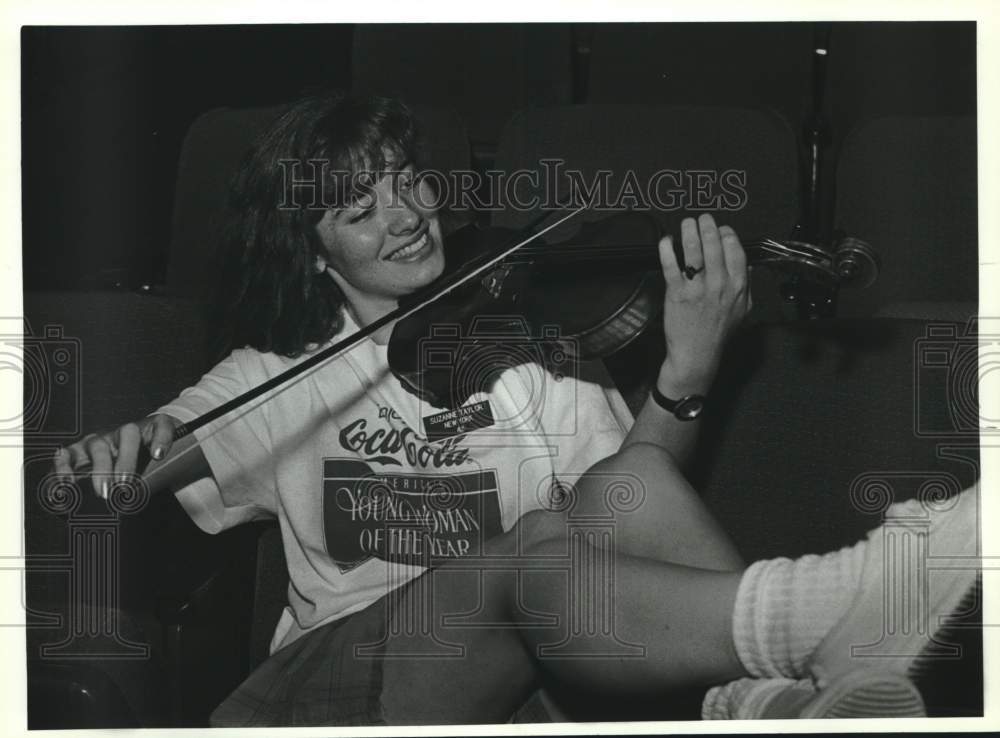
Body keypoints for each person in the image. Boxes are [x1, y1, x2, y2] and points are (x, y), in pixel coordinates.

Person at [52, 91, 980, 725]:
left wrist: (686, 371)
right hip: (331, 692)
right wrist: (116, 459)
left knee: (636, 485)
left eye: (407, 179)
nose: (408, 214)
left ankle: (769, 701)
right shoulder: (273, 369)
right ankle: (826, 612)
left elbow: (630, 514)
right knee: (533, 550)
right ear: (312, 252)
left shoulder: (528, 335)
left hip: (511, 686)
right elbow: (128, 485)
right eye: (359, 208)